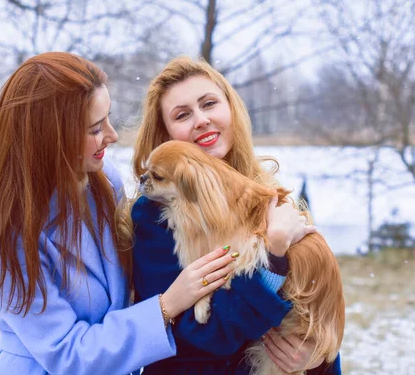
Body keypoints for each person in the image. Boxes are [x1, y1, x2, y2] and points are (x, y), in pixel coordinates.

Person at [0, 52, 237, 375]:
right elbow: (68, 354)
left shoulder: (104, 183)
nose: (112, 135)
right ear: (51, 138)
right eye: (95, 127)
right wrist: (167, 305)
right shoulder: (7, 232)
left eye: (107, 118)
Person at [131, 56, 342, 374]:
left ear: (231, 109)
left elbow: (313, 300)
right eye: (183, 114)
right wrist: (272, 257)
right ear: (167, 134)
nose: (201, 120)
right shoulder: (157, 218)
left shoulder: (265, 194)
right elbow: (208, 335)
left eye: (209, 103)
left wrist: (318, 355)